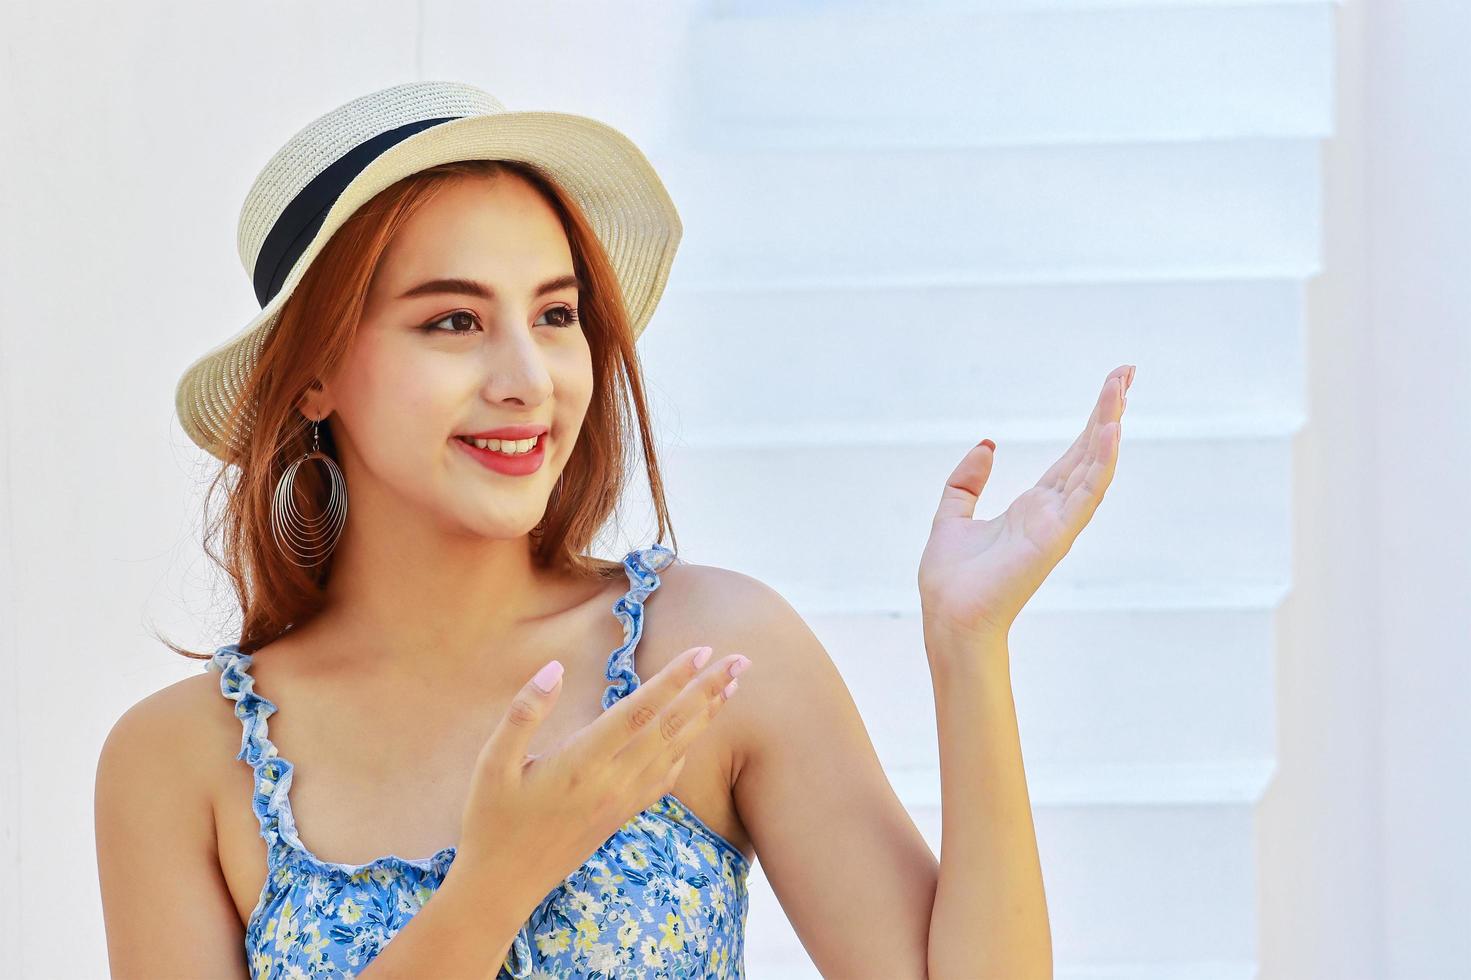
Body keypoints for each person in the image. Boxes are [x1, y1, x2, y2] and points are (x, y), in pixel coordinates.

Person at [97, 79, 1112, 980]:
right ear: (315, 372)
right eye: (452, 320)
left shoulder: (709, 651)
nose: (526, 380)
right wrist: (495, 885)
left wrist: (967, 649)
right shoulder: (180, 762)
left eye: (554, 314)